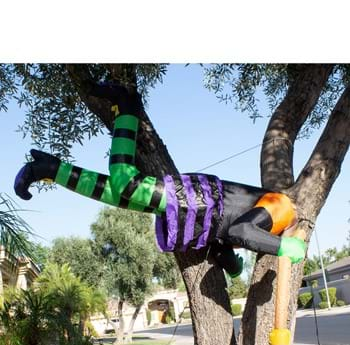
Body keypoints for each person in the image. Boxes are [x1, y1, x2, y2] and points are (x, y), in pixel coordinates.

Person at [14, 82, 306, 277]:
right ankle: (127, 108)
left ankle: (51, 170)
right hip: (203, 200)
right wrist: (284, 248)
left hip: (201, 217)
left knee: (121, 197)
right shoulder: (283, 208)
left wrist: (231, 266)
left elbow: (225, 239)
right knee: (127, 184)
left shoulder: (265, 222)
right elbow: (242, 230)